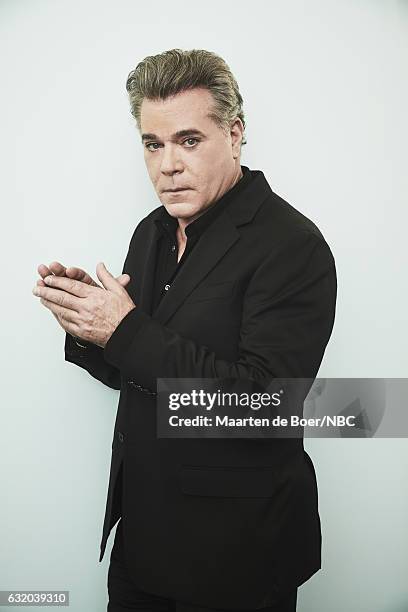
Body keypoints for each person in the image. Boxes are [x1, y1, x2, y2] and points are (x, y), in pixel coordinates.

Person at [32, 48, 337, 612]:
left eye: (189, 140)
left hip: (237, 554)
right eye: (153, 143)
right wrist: (85, 323)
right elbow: (139, 371)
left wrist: (122, 329)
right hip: (142, 539)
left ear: (235, 133)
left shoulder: (292, 246)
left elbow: (264, 407)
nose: (167, 164)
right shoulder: (151, 231)